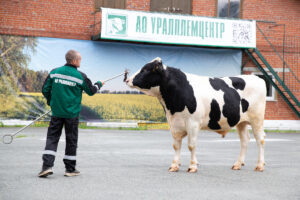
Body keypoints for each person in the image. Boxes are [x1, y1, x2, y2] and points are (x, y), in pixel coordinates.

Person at [38, 50, 103, 178]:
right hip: (72, 115)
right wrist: (99, 84)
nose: (80, 61)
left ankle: (46, 167)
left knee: (52, 138)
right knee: (71, 140)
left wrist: (51, 101)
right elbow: (91, 91)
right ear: (74, 61)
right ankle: (70, 169)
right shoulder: (80, 76)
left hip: (56, 113)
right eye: (79, 59)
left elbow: (45, 89)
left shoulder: (54, 72)